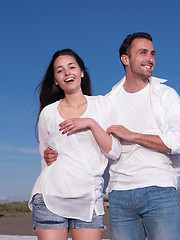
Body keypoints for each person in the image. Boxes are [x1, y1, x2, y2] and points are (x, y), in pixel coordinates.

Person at [44, 33, 180, 240]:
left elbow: (177, 142)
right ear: (125, 59)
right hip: (119, 194)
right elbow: (88, 143)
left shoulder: (166, 95)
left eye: (152, 53)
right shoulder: (107, 101)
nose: (150, 59)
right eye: (142, 53)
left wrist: (132, 135)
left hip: (159, 189)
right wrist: (54, 154)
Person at [28, 49, 121, 240]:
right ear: (55, 80)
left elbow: (115, 151)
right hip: (50, 197)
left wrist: (90, 123)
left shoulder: (103, 105)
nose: (67, 72)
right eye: (60, 70)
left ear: (82, 72)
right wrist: (48, 155)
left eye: (72, 67)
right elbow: (45, 159)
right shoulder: (48, 113)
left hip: (89, 199)